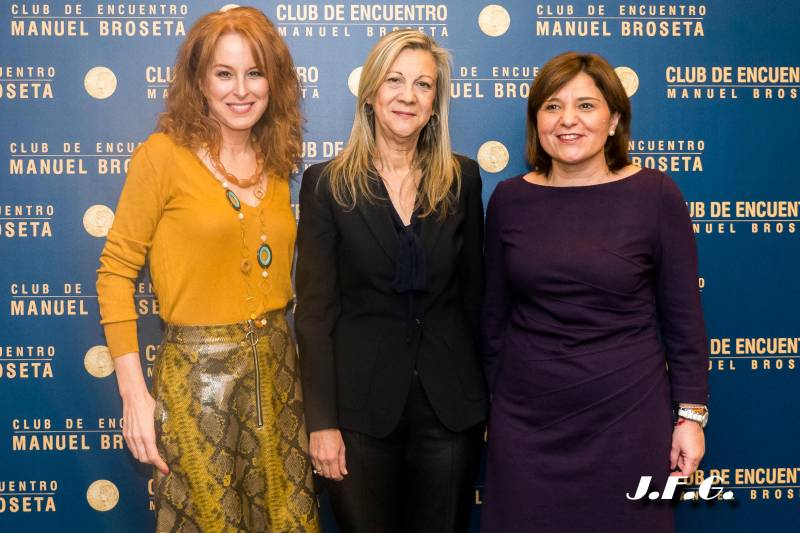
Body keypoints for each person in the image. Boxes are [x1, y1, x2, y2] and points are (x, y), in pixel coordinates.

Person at [96, 7, 319, 532]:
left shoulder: (277, 159)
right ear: (199, 80)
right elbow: (114, 272)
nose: (241, 89)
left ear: (274, 81)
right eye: (224, 73)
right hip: (197, 384)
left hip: (278, 373)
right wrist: (133, 392)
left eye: (255, 72)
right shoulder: (161, 156)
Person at [480, 52, 709, 533]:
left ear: (614, 121)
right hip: (526, 426)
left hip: (628, 421)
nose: (568, 120)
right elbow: (493, 320)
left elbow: (684, 318)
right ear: (536, 121)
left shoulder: (657, 196)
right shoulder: (510, 199)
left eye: (586, 106)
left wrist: (690, 416)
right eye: (552, 107)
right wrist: (497, 405)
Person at [295, 29, 488, 533]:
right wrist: (321, 422)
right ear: (371, 93)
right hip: (358, 413)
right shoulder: (327, 184)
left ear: (435, 102)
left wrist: (485, 400)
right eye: (395, 81)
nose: (408, 95)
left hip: (450, 409)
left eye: (423, 85)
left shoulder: (463, 179)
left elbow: (475, 299)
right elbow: (315, 315)